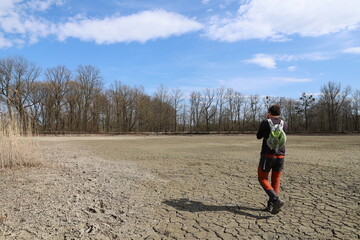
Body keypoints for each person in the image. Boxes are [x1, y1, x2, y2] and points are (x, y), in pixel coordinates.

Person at [256, 105, 288, 214]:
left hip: (267, 155)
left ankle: (275, 200)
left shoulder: (266, 122)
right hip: (281, 156)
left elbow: (258, 136)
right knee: (276, 180)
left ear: (269, 112)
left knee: (262, 178)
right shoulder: (284, 123)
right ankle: (271, 206)